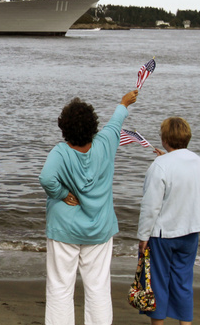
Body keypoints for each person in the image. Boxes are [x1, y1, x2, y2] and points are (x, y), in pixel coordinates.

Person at [38, 90, 138, 325]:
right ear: (93, 127)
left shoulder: (61, 152)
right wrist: (124, 102)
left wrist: (63, 194)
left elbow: (46, 178)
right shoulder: (105, 143)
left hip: (64, 228)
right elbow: (116, 122)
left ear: (64, 129)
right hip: (99, 230)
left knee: (60, 287)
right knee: (98, 288)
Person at [137, 117, 200, 325]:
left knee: (157, 283)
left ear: (165, 138)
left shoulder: (160, 165)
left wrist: (142, 236)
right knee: (183, 282)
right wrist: (166, 158)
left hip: (163, 234)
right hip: (190, 230)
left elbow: (150, 205)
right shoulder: (198, 161)